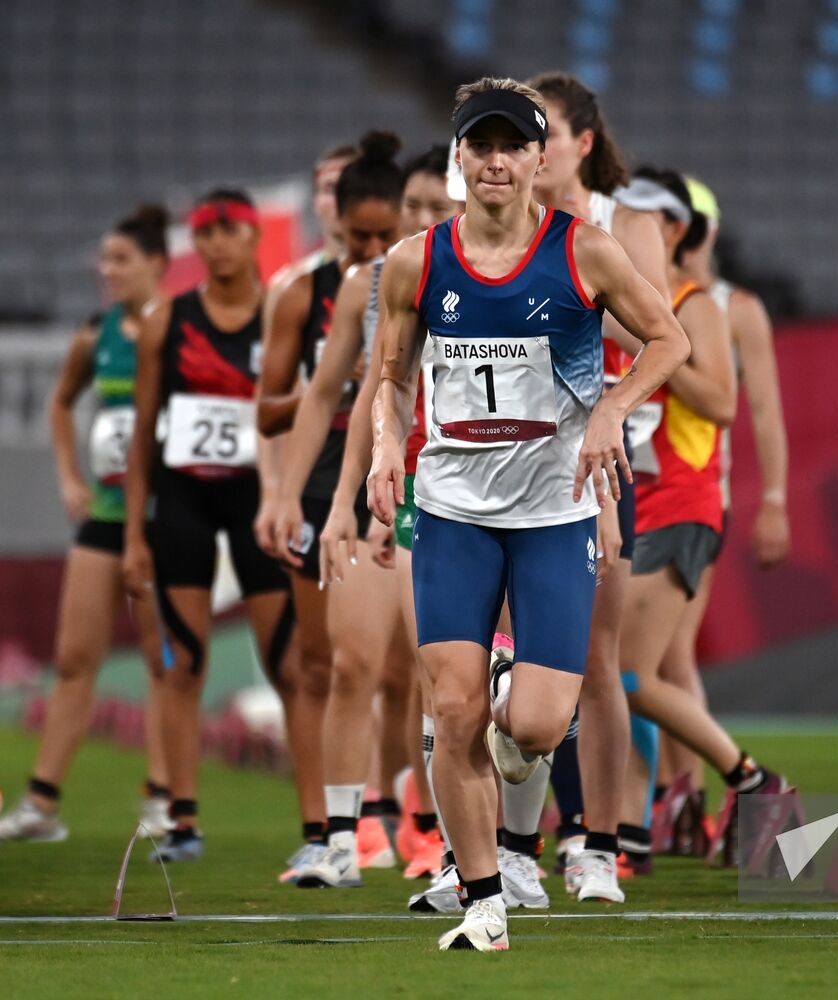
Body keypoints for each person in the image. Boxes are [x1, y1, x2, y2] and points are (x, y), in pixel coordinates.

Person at [368, 76, 690, 952]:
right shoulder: (416, 262)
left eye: (515, 146)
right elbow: (392, 376)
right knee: (455, 708)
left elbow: (670, 339)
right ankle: (482, 899)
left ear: (542, 158)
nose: (498, 161)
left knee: (542, 722)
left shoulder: (585, 251)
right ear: (459, 158)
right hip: (452, 514)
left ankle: (513, 698)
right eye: (482, 146)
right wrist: (381, 448)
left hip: (553, 513)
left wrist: (613, 409)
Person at [474, 69, 672, 905]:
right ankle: (515, 849)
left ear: (580, 143)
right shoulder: (497, 231)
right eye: (517, 134)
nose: (530, 146)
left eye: (542, 130)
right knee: (521, 665)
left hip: (604, 464)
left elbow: (654, 332)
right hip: (505, 470)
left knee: (599, 662)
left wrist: (572, 302)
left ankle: (597, 845)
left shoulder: (622, 227)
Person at [606, 167, 792, 874]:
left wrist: (662, 350)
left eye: (644, 222)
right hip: (629, 505)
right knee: (626, 671)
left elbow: (722, 404)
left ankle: (748, 782)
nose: (630, 233)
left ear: (675, 231)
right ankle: (635, 827)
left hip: (683, 506)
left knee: (633, 673)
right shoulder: (618, 302)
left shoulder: (700, 307)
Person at [121, 190, 298, 862]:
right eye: (206, 232)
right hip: (185, 497)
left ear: (254, 237)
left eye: (230, 230)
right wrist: (136, 534)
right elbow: (143, 433)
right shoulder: (168, 321)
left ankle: (324, 830)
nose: (218, 243)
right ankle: (183, 818)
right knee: (183, 663)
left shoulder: (283, 314)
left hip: (258, 495)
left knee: (289, 663)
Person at [310, 145, 466, 904]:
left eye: (439, 208)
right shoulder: (376, 285)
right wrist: (341, 505)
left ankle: (450, 842)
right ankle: (341, 840)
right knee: (352, 665)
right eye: (415, 207)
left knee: (447, 685)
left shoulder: (502, 279)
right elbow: (366, 397)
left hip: (471, 499)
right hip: (392, 493)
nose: (423, 220)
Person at [257, 131, 409, 887]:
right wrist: (281, 493)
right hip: (341, 487)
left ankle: (429, 833)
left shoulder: (449, 277)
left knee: (425, 678)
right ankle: (338, 836)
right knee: (343, 665)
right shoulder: (330, 290)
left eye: (391, 233)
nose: (373, 248)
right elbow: (299, 404)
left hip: (442, 489)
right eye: (362, 236)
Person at [0, 206, 175, 843]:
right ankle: (42, 804)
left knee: (164, 661)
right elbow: (59, 401)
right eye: (104, 260)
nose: (108, 270)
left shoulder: (180, 332)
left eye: (121, 259)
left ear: (156, 263)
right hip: (104, 516)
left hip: (163, 522)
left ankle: (165, 796)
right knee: (75, 657)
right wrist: (70, 477)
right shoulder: (94, 334)